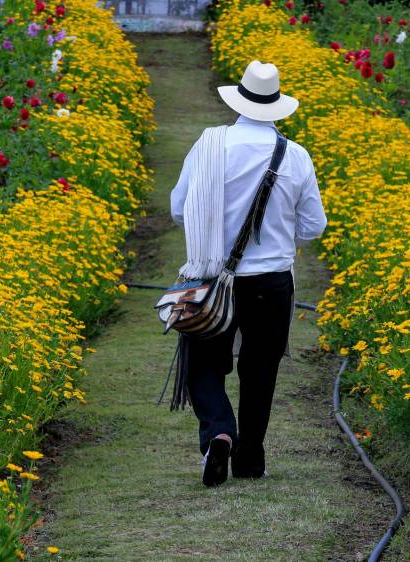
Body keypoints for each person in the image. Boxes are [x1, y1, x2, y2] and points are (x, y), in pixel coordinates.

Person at [170, 60, 327, 487]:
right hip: (273, 282)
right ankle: (250, 459)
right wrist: (276, 225)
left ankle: (220, 431)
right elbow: (313, 226)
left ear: (238, 100)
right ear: (277, 107)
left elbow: (179, 207)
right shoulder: (295, 156)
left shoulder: (209, 145)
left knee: (204, 362)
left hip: (210, 276)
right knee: (261, 368)